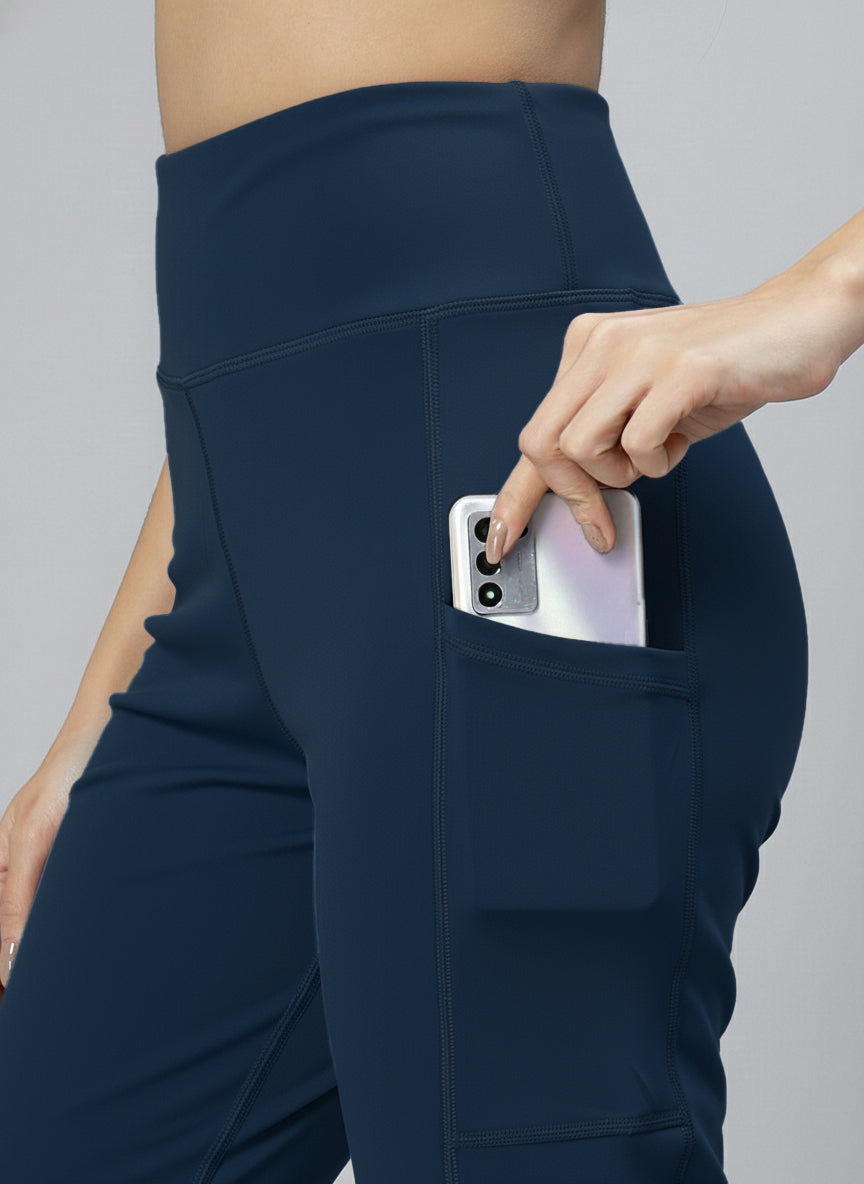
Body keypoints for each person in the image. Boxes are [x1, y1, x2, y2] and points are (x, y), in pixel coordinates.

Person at [0, 3, 861, 1181]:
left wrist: (828, 293)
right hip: (250, 573)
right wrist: (100, 712)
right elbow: (273, 377)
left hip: (528, 505)